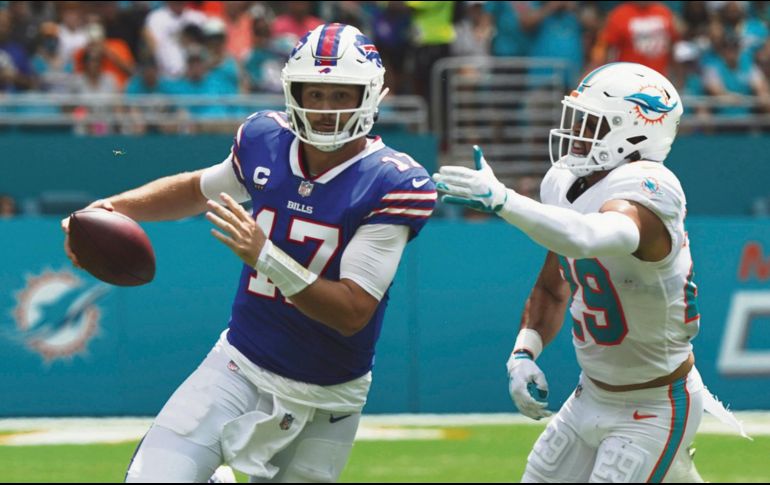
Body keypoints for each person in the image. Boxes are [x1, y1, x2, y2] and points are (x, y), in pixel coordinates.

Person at [61, 23, 436, 483]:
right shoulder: (265, 140)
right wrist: (110, 208)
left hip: (328, 399)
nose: (325, 109)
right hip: (238, 367)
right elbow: (195, 190)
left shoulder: (393, 181)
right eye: (315, 93)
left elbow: (351, 312)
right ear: (293, 91)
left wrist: (266, 256)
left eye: (341, 94)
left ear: (370, 96)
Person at [434, 62, 710, 482]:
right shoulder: (564, 181)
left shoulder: (653, 188)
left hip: (655, 403)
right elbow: (553, 286)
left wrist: (504, 201)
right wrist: (523, 352)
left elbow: (587, 236)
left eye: (592, 123)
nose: (577, 131)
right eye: (578, 118)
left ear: (635, 132)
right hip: (590, 394)